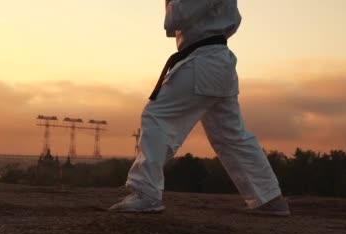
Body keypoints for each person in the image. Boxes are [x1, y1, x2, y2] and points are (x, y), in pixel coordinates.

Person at [110, 0, 290, 216]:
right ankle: (269, 197)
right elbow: (230, 21)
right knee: (231, 136)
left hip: (202, 61)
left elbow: (175, 17)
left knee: (157, 117)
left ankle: (146, 194)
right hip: (217, 60)